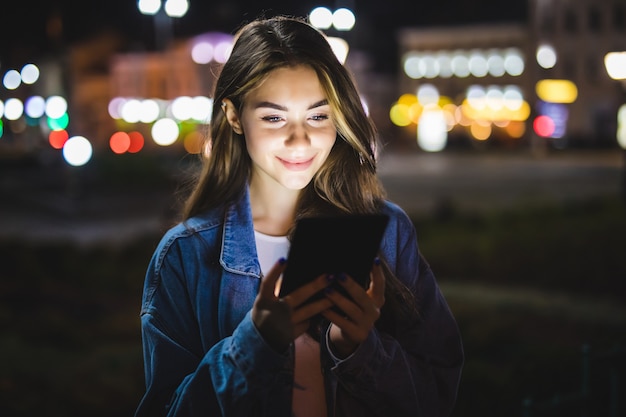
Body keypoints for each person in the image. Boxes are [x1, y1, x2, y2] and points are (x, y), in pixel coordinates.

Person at [135, 15, 463, 417]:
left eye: (318, 116)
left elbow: (438, 393)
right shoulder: (185, 256)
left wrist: (358, 349)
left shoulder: (388, 233)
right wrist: (255, 343)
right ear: (235, 116)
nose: (300, 139)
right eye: (274, 117)